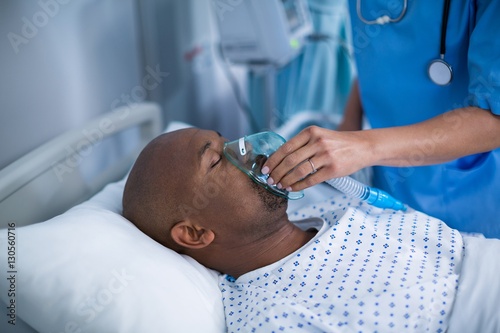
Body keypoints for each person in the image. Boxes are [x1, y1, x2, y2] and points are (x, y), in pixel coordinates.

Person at [122, 128, 500, 332]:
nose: (248, 149)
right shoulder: (273, 317)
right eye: (217, 159)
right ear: (193, 234)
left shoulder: (323, 207)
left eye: (228, 139)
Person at [261, 0, 500, 238]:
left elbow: (494, 121)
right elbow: (379, 58)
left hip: (474, 194)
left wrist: (365, 146)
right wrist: (349, 125)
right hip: (390, 186)